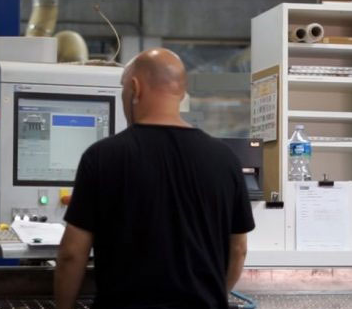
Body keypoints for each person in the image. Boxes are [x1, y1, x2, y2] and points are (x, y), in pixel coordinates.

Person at [54, 48, 255, 309]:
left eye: (123, 89)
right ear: (181, 93)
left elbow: (72, 255)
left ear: (135, 88)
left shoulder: (102, 157)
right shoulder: (225, 159)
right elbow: (238, 250)